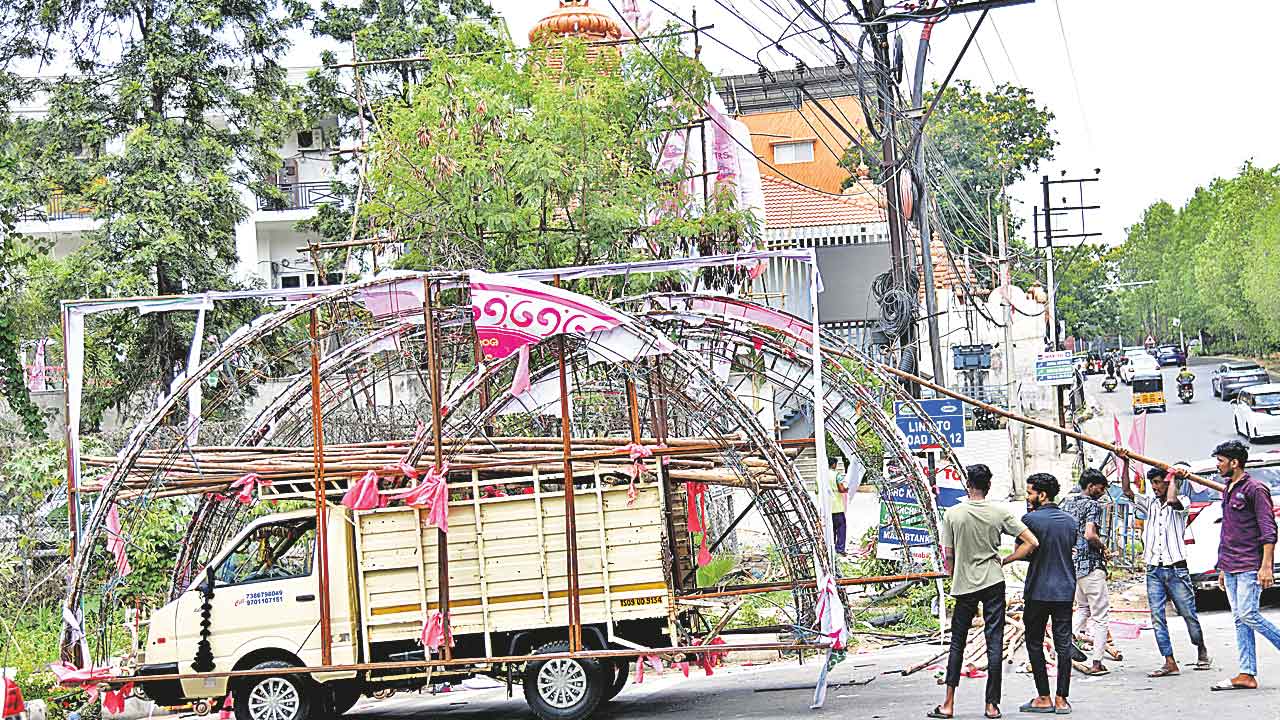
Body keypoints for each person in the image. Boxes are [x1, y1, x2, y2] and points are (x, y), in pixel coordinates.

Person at [929, 464, 1039, 720]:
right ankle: (992, 705)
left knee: (957, 643)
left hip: (964, 584)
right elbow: (1033, 541)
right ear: (988, 486)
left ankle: (948, 704)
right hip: (992, 581)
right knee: (995, 642)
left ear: (968, 485)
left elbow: (948, 555)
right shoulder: (999, 512)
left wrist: (954, 575)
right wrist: (1008, 559)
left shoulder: (953, 514)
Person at [1208, 440, 1280, 692]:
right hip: (1230, 564)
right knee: (1240, 620)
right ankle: (1247, 673)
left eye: (1220, 461)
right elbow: (1229, 530)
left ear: (1234, 462)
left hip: (1250, 564)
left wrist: (1266, 566)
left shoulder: (1255, 489)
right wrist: (1221, 567)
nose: (1217, 465)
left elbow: (1269, 530)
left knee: (1249, 614)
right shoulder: (1228, 488)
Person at [1127, 464, 1212, 676]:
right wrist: (1125, 462)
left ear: (1168, 482)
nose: (1154, 487)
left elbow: (1173, 500)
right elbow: (1128, 491)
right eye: (1152, 483)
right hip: (1154, 569)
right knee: (1157, 616)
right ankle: (1169, 661)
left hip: (1176, 570)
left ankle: (1201, 649)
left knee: (1188, 614)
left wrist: (1174, 477)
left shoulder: (1183, 501)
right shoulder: (1150, 504)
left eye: (1158, 482)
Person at [1006, 472, 1077, 715]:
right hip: (1065, 590)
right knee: (1063, 644)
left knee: (1034, 643)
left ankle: (1043, 697)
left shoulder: (1030, 520)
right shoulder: (1070, 521)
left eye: (1030, 492)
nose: (1028, 497)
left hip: (1038, 590)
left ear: (1042, 495)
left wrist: (1006, 560)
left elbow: (1024, 552)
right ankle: (1062, 700)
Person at [1060, 469, 1113, 676]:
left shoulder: (1066, 502)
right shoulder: (1092, 504)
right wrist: (1103, 547)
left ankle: (1068, 637)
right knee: (1100, 615)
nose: (1102, 492)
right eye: (1101, 488)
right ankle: (1097, 663)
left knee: (1083, 608)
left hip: (1072, 565)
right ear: (1091, 486)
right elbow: (1090, 534)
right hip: (1091, 565)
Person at [829, 455, 849, 555]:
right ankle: (840, 549)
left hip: (827, 508)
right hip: (837, 507)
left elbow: (816, 491)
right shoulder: (837, 475)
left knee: (830, 529)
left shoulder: (820, 475)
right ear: (833, 464)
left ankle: (830, 548)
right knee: (841, 528)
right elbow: (841, 489)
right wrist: (847, 489)